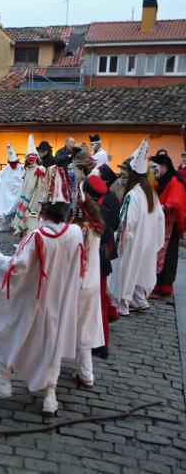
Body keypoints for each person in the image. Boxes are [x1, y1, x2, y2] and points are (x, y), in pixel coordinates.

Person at [0, 166, 84, 415]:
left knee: (15, 332)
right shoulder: (75, 233)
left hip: (34, 300)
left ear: (43, 211)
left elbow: (15, 268)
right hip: (60, 300)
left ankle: (4, 380)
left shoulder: (37, 237)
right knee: (52, 343)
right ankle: (50, 394)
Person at [108, 139, 165, 316]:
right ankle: (139, 299)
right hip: (147, 239)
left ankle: (122, 303)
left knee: (127, 270)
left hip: (133, 241)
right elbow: (160, 218)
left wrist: (120, 239)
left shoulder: (133, 195)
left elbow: (127, 221)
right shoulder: (151, 194)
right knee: (140, 269)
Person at [71, 180, 106, 388]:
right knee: (84, 329)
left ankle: (48, 374)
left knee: (58, 326)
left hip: (76, 282)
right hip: (91, 283)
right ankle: (86, 375)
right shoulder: (96, 219)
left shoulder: (78, 223)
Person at [83, 174, 120, 360]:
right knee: (100, 303)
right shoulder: (100, 209)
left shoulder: (92, 213)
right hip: (100, 263)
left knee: (96, 305)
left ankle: (99, 343)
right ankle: (100, 342)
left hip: (95, 264)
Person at [149, 154, 186, 298]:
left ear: (164, 166)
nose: (152, 171)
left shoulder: (175, 180)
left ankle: (163, 287)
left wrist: (162, 207)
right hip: (163, 223)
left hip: (171, 225)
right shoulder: (163, 179)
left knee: (167, 256)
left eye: (154, 168)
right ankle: (156, 285)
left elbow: (176, 203)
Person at [12, 135, 46, 237]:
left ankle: (30, 239)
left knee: (31, 219)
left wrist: (41, 172)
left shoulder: (40, 168)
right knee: (25, 217)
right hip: (26, 196)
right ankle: (24, 240)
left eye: (32, 158)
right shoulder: (28, 170)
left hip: (34, 198)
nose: (30, 161)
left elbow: (43, 179)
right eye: (28, 159)